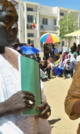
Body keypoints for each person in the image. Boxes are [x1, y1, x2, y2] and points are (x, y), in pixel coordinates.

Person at [0, 1, 51, 133]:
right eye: (7, 20)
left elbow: (36, 96)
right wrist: (5, 107)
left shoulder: (16, 57)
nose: (15, 27)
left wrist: (42, 108)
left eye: (16, 21)